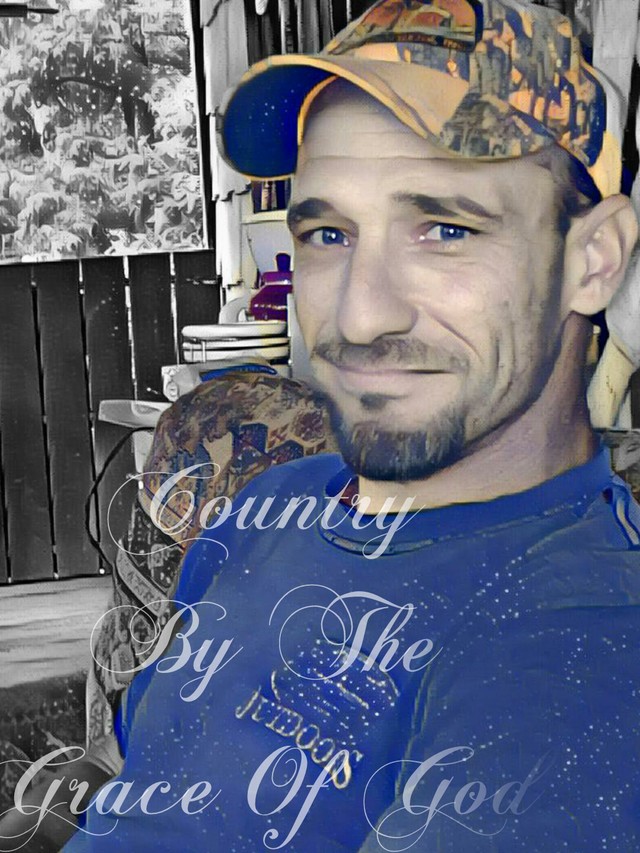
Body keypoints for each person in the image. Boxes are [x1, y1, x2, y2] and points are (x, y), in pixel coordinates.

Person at [3, 0, 640, 849]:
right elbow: (134, 768)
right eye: (329, 233)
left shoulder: (577, 638)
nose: (359, 315)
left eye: (445, 229)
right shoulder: (270, 507)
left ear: (594, 259)